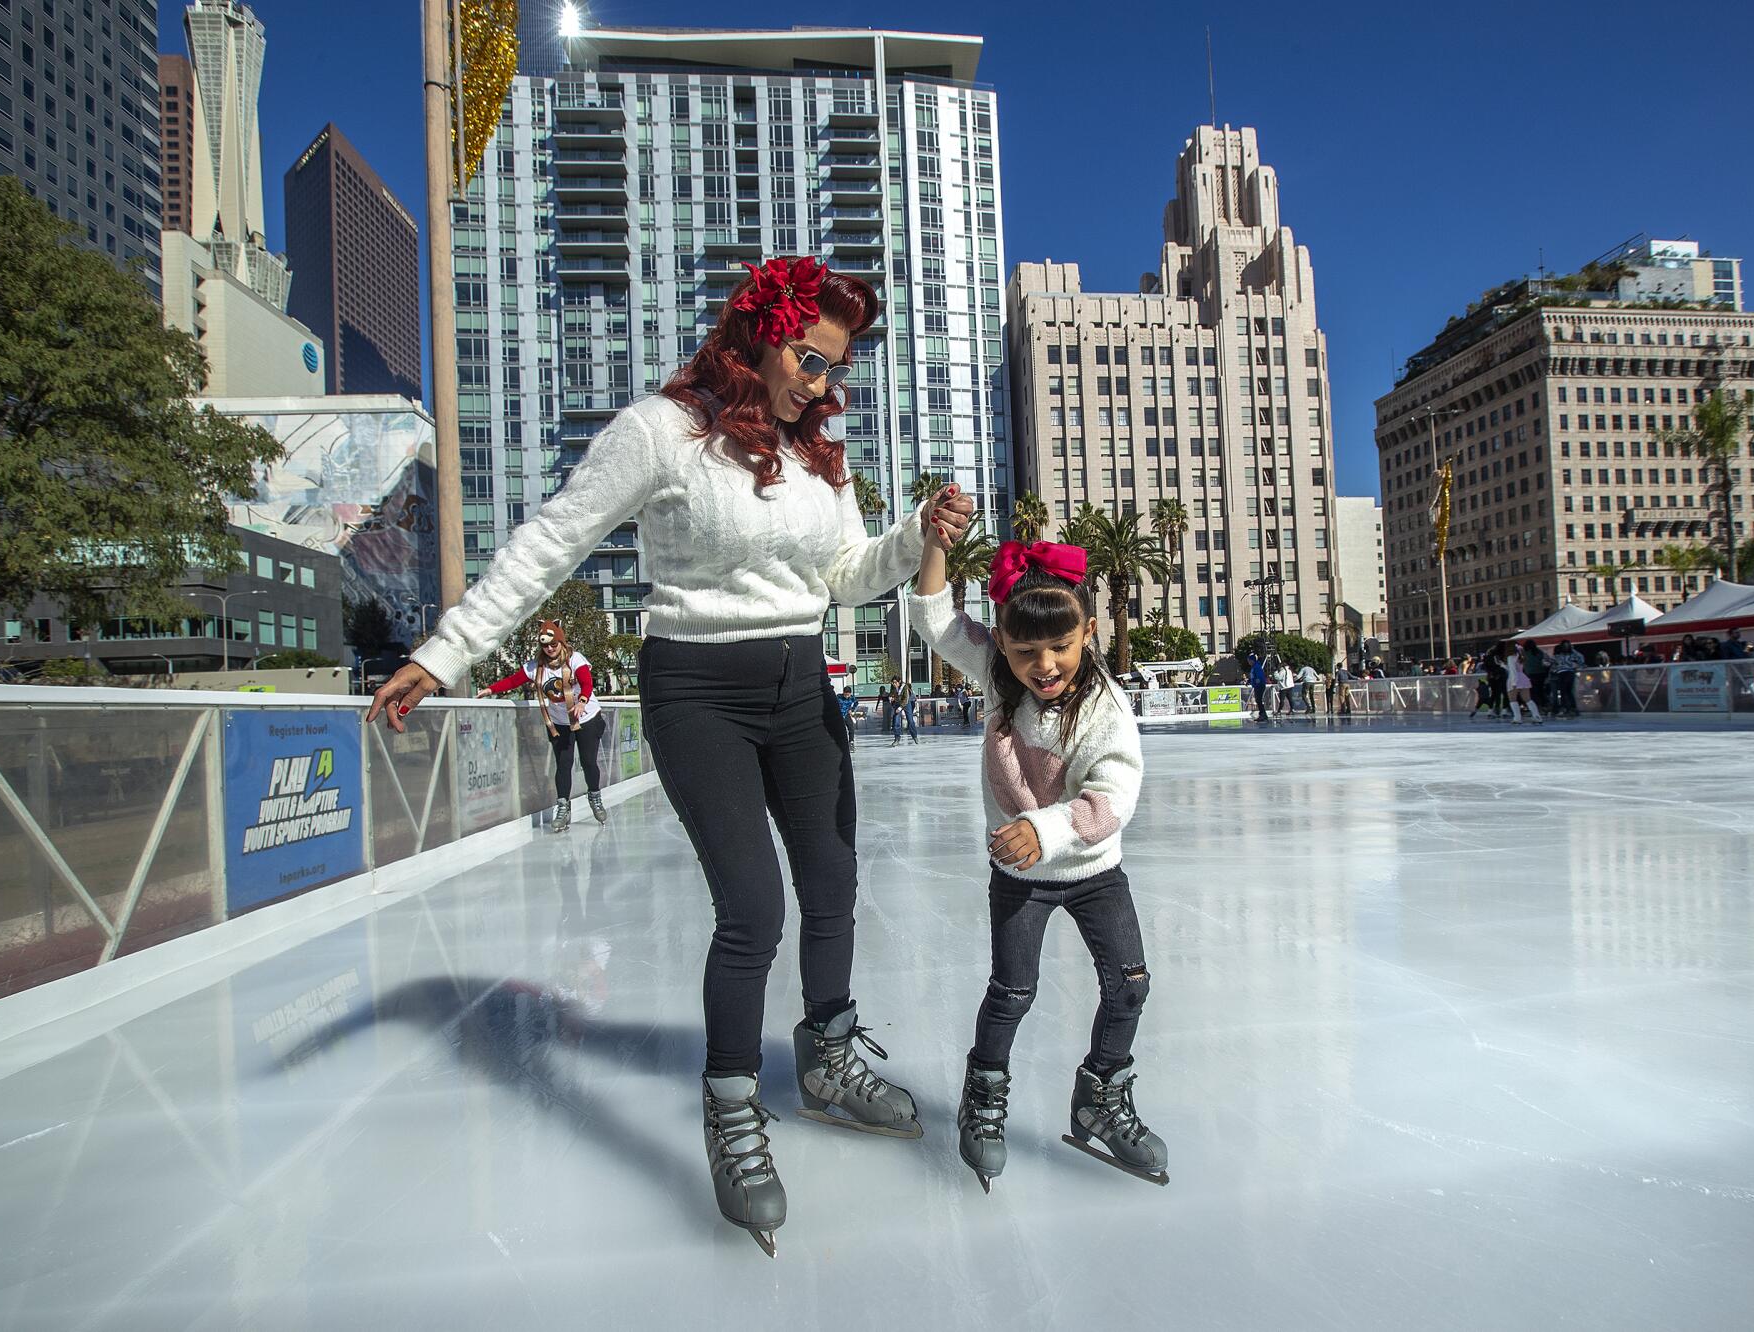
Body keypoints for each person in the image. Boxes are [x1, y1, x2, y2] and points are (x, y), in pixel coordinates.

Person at [365, 255, 975, 1257]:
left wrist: (914, 537)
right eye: (809, 360)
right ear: (756, 334)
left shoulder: (822, 456)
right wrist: (443, 653)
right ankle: (732, 1109)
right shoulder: (663, 430)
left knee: (830, 880)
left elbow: (845, 578)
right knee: (753, 907)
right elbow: (548, 542)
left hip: (797, 685)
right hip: (697, 690)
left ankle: (825, 1060)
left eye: (834, 369)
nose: (821, 386)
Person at [909, 536, 1166, 1192]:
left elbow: (1112, 797)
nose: (1043, 665)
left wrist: (1044, 829)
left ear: (1089, 630)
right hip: (1021, 878)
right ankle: (984, 1096)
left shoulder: (1105, 707)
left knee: (1130, 983)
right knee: (1014, 992)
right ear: (1003, 642)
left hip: (1093, 872)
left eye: (1060, 646)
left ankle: (1099, 1098)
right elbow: (937, 620)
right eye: (1025, 651)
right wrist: (936, 545)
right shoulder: (997, 672)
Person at [477, 619, 605, 832]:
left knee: (588, 761)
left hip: (586, 717)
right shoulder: (535, 666)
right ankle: (563, 807)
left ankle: (595, 797)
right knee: (563, 764)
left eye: (554, 644)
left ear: (561, 643)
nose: (550, 649)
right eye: (545, 645)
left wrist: (582, 702)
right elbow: (513, 681)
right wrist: (490, 690)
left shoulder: (575, 659)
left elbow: (587, 682)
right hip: (559, 721)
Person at [1504, 642, 1545, 724]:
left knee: (1513, 700)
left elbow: (1512, 670)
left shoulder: (1510, 657)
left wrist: (1513, 682)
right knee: (1528, 699)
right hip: (1523, 678)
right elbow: (1516, 668)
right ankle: (1537, 716)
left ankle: (1517, 718)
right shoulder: (1520, 657)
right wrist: (1502, 665)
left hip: (1514, 679)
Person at [1551, 639, 1584, 719]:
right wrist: (1554, 669)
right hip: (1561, 673)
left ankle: (1570, 708)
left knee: (1567, 690)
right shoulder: (1559, 656)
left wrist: (1573, 650)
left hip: (1569, 672)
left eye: (1567, 646)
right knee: (1563, 691)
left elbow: (1581, 658)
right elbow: (1552, 663)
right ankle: (1567, 708)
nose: (1566, 647)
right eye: (1564, 646)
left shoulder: (1572, 654)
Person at [1247, 649, 1270, 722]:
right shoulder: (1254, 667)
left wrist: (1257, 683)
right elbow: (1253, 676)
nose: (1248, 662)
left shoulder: (1256, 667)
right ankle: (1263, 714)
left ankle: (1263, 715)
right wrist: (1250, 681)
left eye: (1249, 661)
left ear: (1252, 660)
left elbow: (1259, 677)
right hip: (1257, 685)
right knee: (1258, 700)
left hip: (1259, 686)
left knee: (1259, 700)